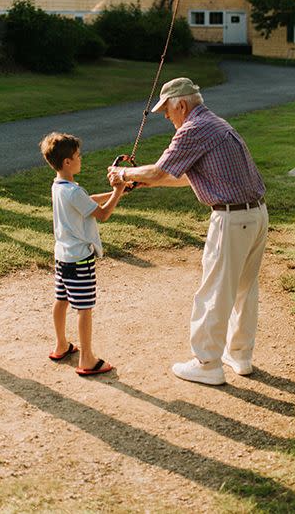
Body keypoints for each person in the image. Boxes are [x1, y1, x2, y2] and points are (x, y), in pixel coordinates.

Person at [108, 77, 268, 386]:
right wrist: (143, 181)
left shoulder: (193, 129)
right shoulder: (214, 123)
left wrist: (122, 173)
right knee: (244, 289)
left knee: (214, 291)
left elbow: (159, 170)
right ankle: (240, 356)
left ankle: (207, 363)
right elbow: (184, 175)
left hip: (232, 219)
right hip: (256, 214)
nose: (167, 118)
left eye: (167, 111)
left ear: (181, 105)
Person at [40, 131, 125, 377]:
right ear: (67, 162)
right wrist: (117, 192)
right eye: (77, 156)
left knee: (62, 300)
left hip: (63, 257)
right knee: (84, 308)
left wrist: (116, 193)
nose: (80, 158)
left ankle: (61, 345)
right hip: (80, 259)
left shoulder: (60, 186)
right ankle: (86, 359)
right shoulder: (74, 191)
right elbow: (102, 214)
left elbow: (87, 202)